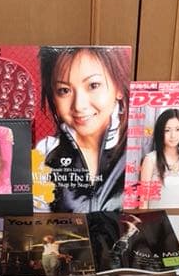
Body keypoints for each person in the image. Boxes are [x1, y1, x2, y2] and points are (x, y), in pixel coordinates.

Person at [35, 46, 130, 212]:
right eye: (64, 90)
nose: (79, 105)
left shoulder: (138, 149)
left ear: (119, 88)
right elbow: (38, 220)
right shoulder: (45, 154)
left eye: (93, 85)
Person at [139, 108, 179, 209]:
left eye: (178, 129)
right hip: (157, 217)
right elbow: (143, 200)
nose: (173, 135)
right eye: (167, 130)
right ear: (160, 132)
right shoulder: (151, 160)